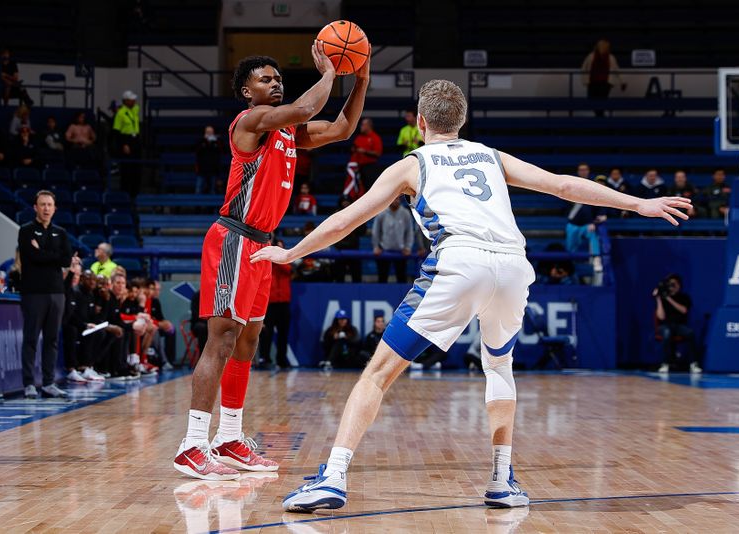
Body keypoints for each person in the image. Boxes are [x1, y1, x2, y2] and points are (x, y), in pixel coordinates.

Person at [251, 79, 691, 512]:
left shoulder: (411, 164)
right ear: (462, 121)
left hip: (460, 261)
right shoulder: (492, 156)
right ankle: (502, 480)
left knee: (377, 374)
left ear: (421, 121)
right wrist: (637, 204)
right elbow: (562, 185)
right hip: (515, 265)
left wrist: (292, 252)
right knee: (499, 365)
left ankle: (334, 476)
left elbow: (348, 219)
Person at [173, 41, 372, 481]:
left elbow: (340, 129)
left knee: (248, 343)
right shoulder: (251, 121)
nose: (275, 82)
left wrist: (360, 79)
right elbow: (305, 108)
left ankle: (228, 437)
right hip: (233, 240)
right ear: (247, 92)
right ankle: (191, 444)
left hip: (263, 246)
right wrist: (329, 73)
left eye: (278, 77)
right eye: (266, 79)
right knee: (221, 340)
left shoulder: (285, 133)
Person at [18, 190, 73, 399]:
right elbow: (32, 257)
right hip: (33, 292)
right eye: (42, 204)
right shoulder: (26, 231)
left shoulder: (61, 232)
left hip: (57, 292)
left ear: (54, 208)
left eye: (49, 205)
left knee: (52, 339)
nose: (46, 208)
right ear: (35, 207)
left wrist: (42, 253)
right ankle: (29, 383)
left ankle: (49, 383)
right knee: (31, 338)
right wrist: (52, 256)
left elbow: (66, 260)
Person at [654, 274, 701, 374]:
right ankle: (665, 363)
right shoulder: (663, 298)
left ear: (679, 285)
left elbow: (683, 310)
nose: (672, 287)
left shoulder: (684, 297)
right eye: (670, 284)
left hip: (679, 325)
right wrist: (659, 299)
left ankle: (694, 363)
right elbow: (661, 317)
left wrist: (669, 299)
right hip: (665, 325)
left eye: (674, 284)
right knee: (666, 333)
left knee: (690, 333)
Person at [259, 241, 293, 370]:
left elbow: (289, 270)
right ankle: (264, 359)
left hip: (284, 304)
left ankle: (282, 359)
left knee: (283, 334)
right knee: (266, 333)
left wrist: (280, 258)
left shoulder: (287, 260)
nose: (279, 248)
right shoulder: (267, 261)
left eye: (281, 246)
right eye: (277, 246)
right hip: (270, 304)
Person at [565, 163, 605, 269]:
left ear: (588, 171)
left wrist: (600, 216)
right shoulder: (572, 182)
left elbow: (598, 204)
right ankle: (570, 265)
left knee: (593, 235)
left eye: (585, 170)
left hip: (587, 224)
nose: (583, 172)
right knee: (570, 248)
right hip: (573, 223)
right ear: (578, 171)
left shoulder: (593, 185)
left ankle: (596, 259)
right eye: (581, 170)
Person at [372, 197, 414, 283]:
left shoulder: (405, 213)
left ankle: (402, 296)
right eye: (394, 199)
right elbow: (376, 231)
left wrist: (408, 247)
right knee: (382, 278)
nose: (396, 201)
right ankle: (381, 295)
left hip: (401, 251)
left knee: (401, 278)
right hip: (384, 251)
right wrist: (376, 246)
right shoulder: (382, 212)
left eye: (398, 199)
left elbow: (409, 231)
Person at [581, 39, 625, 117]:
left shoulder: (611, 57)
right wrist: (585, 81)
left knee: (601, 103)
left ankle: (600, 120)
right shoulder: (591, 56)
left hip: (604, 84)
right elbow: (584, 68)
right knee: (591, 101)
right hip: (593, 82)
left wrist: (622, 82)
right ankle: (601, 119)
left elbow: (617, 70)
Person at [113, 90, 142, 197]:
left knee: (136, 168)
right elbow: (116, 132)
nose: (134, 101)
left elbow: (136, 107)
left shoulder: (135, 109)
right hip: (126, 140)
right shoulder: (120, 114)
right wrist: (124, 144)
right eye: (131, 100)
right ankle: (125, 193)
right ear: (125, 101)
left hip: (135, 139)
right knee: (127, 169)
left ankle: (135, 192)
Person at [332, 196, 365, 283]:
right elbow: (331, 232)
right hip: (340, 251)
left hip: (354, 250)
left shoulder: (356, 213)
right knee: (339, 276)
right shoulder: (335, 215)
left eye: (347, 201)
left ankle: (358, 294)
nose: (345, 203)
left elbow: (363, 231)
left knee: (356, 276)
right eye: (344, 201)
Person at [350, 117, 383, 190]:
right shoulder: (359, 137)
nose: (361, 126)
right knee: (361, 189)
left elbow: (377, 153)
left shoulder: (375, 138)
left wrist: (364, 151)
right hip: (359, 166)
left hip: (370, 167)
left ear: (368, 126)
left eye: (363, 125)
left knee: (370, 187)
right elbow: (354, 149)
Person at [195, 125, 224, 194]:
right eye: (208, 132)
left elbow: (222, 150)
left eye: (211, 132)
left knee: (212, 190)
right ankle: (197, 204)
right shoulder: (200, 141)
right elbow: (197, 151)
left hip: (213, 169)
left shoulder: (217, 141)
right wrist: (205, 140)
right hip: (202, 169)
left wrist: (215, 141)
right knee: (199, 189)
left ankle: (212, 204)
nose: (209, 133)